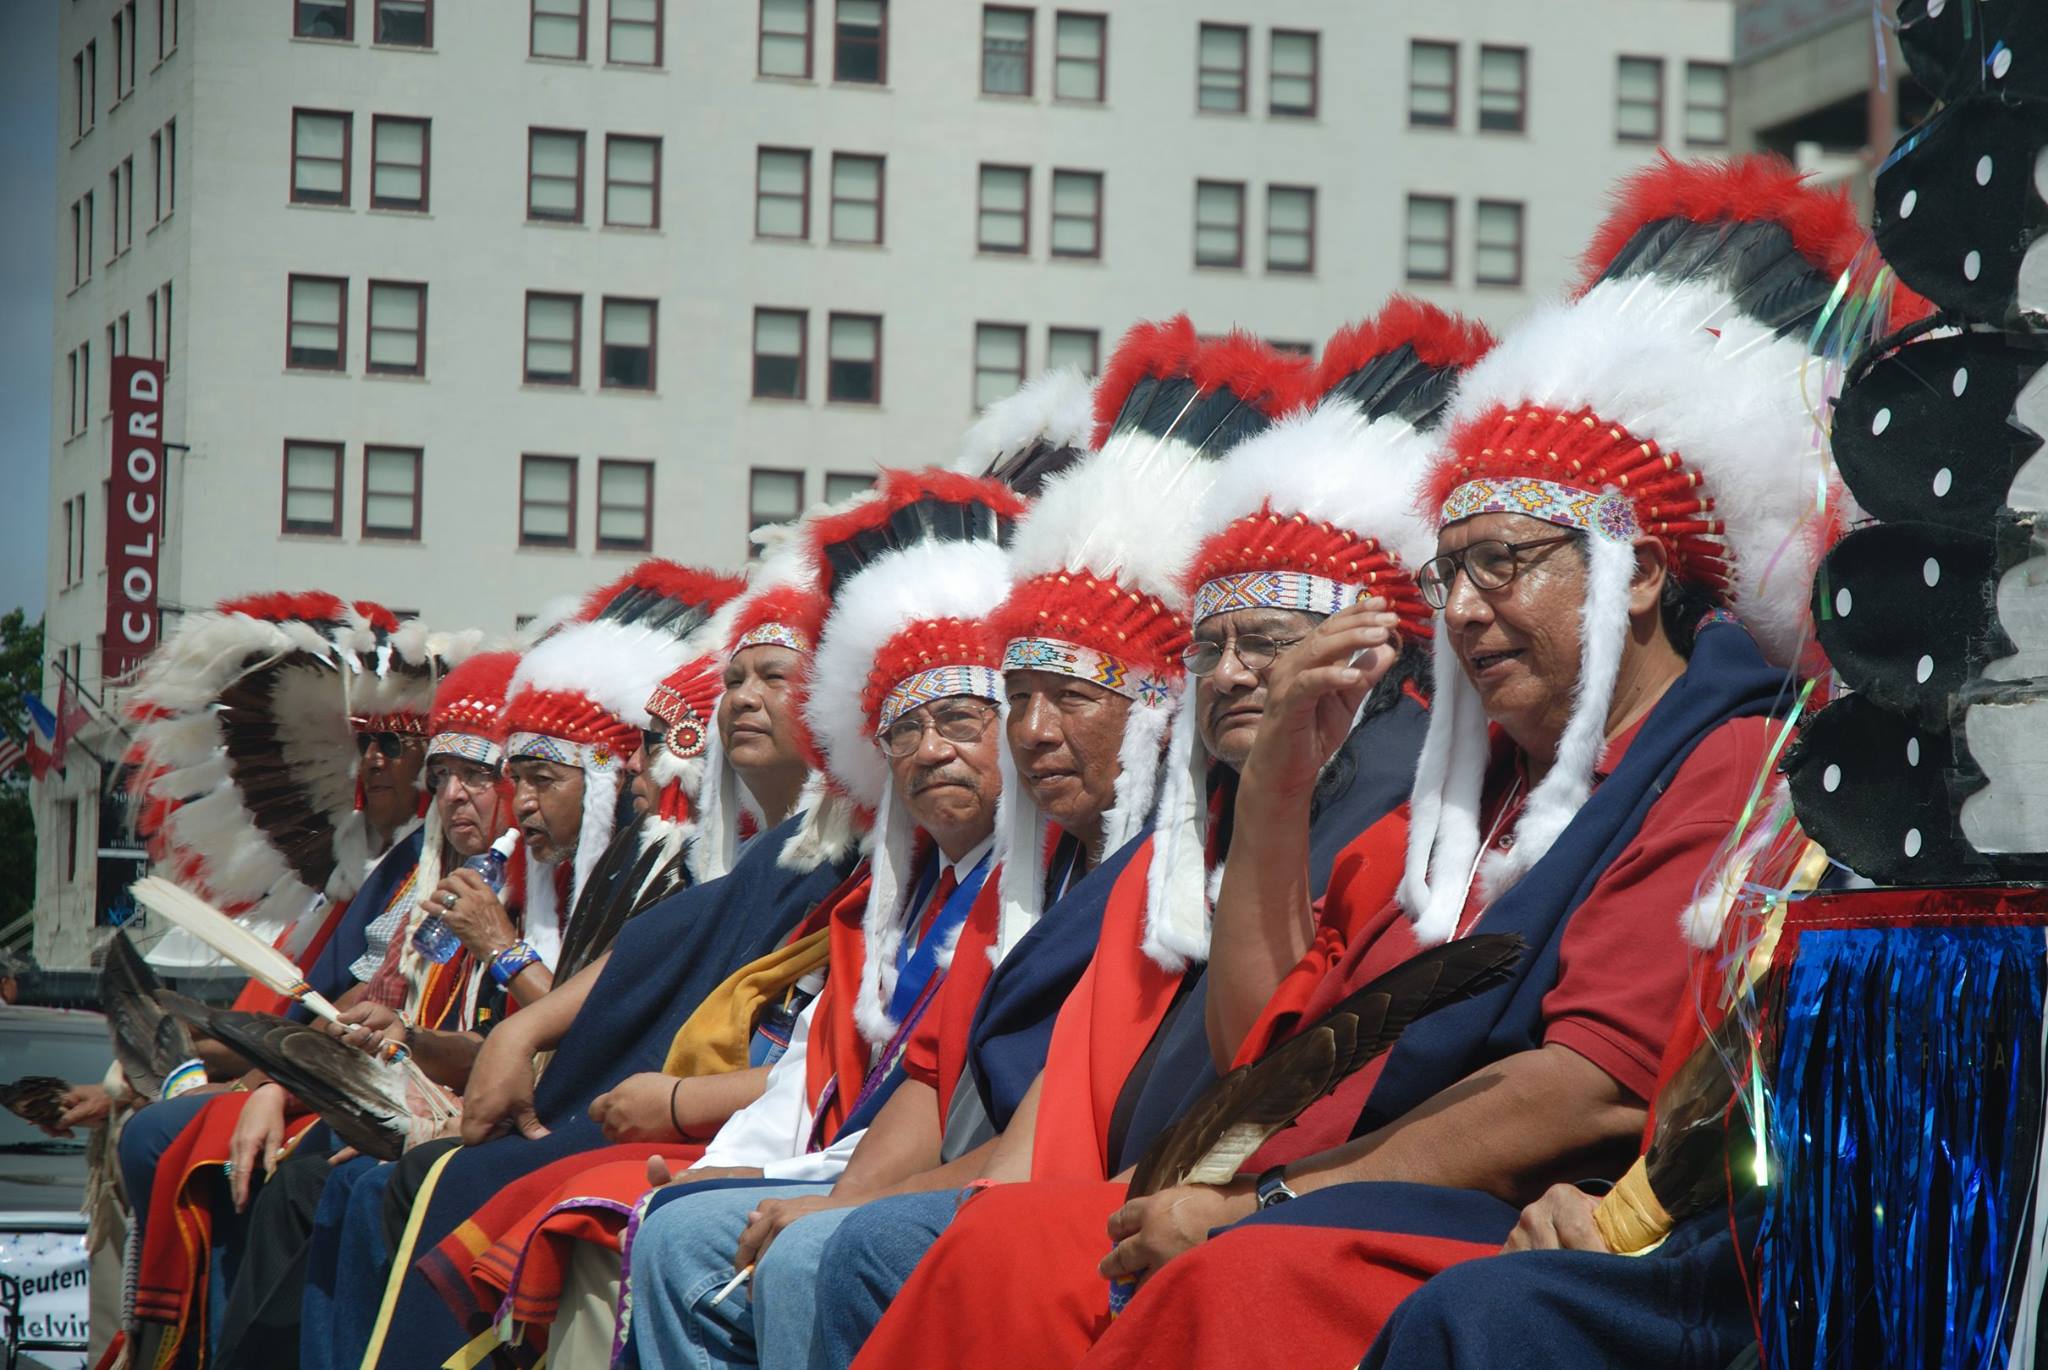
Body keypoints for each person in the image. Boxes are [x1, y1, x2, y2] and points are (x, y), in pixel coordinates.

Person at [1056, 153, 1867, 1370]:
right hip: (1324, 1192)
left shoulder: (1726, 759)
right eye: (1450, 570)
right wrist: (1274, 783)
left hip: (1514, 1230)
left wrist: (1272, 1204)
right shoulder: (1460, 812)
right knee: (1001, 1257)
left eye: (1509, 561)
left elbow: (1590, 1084)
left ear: (1640, 570)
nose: (1469, 609)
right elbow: (1263, 1053)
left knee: (1224, 1284)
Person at [836, 297, 1486, 1370]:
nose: (1228, 670)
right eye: (1211, 643)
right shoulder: (1194, 828)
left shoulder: (1403, 799)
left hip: (1283, 1196)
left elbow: (1277, 1064)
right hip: (1175, 1181)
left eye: (1264, 641)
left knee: (883, 1245)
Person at [354, 538, 864, 1370]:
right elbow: (642, 960)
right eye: (733, 678)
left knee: (459, 1184)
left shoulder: (852, 857)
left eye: (776, 676)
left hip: (747, 1129)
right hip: (664, 1104)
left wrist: (667, 1097)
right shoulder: (747, 861)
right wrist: (503, 1039)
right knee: (387, 1179)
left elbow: (838, 1064)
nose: (742, 698)